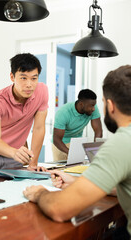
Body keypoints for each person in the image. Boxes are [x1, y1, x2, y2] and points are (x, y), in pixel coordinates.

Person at [23, 65, 131, 238]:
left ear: (110, 105)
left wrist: (39, 193)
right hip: (63, 144)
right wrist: (76, 182)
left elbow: (59, 209)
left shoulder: (121, 143)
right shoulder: (64, 112)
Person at [0, 53, 48, 173]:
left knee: (13, 189)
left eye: (34, 78)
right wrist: (14, 152)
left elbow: (39, 128)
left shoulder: (42, 91)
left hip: (15, 154)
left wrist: (33, 163)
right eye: (23, 78)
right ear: (12, 77)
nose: (29, 84)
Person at [52, 89, 102, 161]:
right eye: (91, 106)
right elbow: (56, 139)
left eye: (94, 105)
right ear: (81, 104)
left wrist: (95, 151)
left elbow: (98, 131)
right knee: (60, 170)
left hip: (76, 142)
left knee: (77, 168)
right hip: (61, 144)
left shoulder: (93, 108)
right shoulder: (63, 112)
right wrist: (70, 153)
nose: (93, 109)